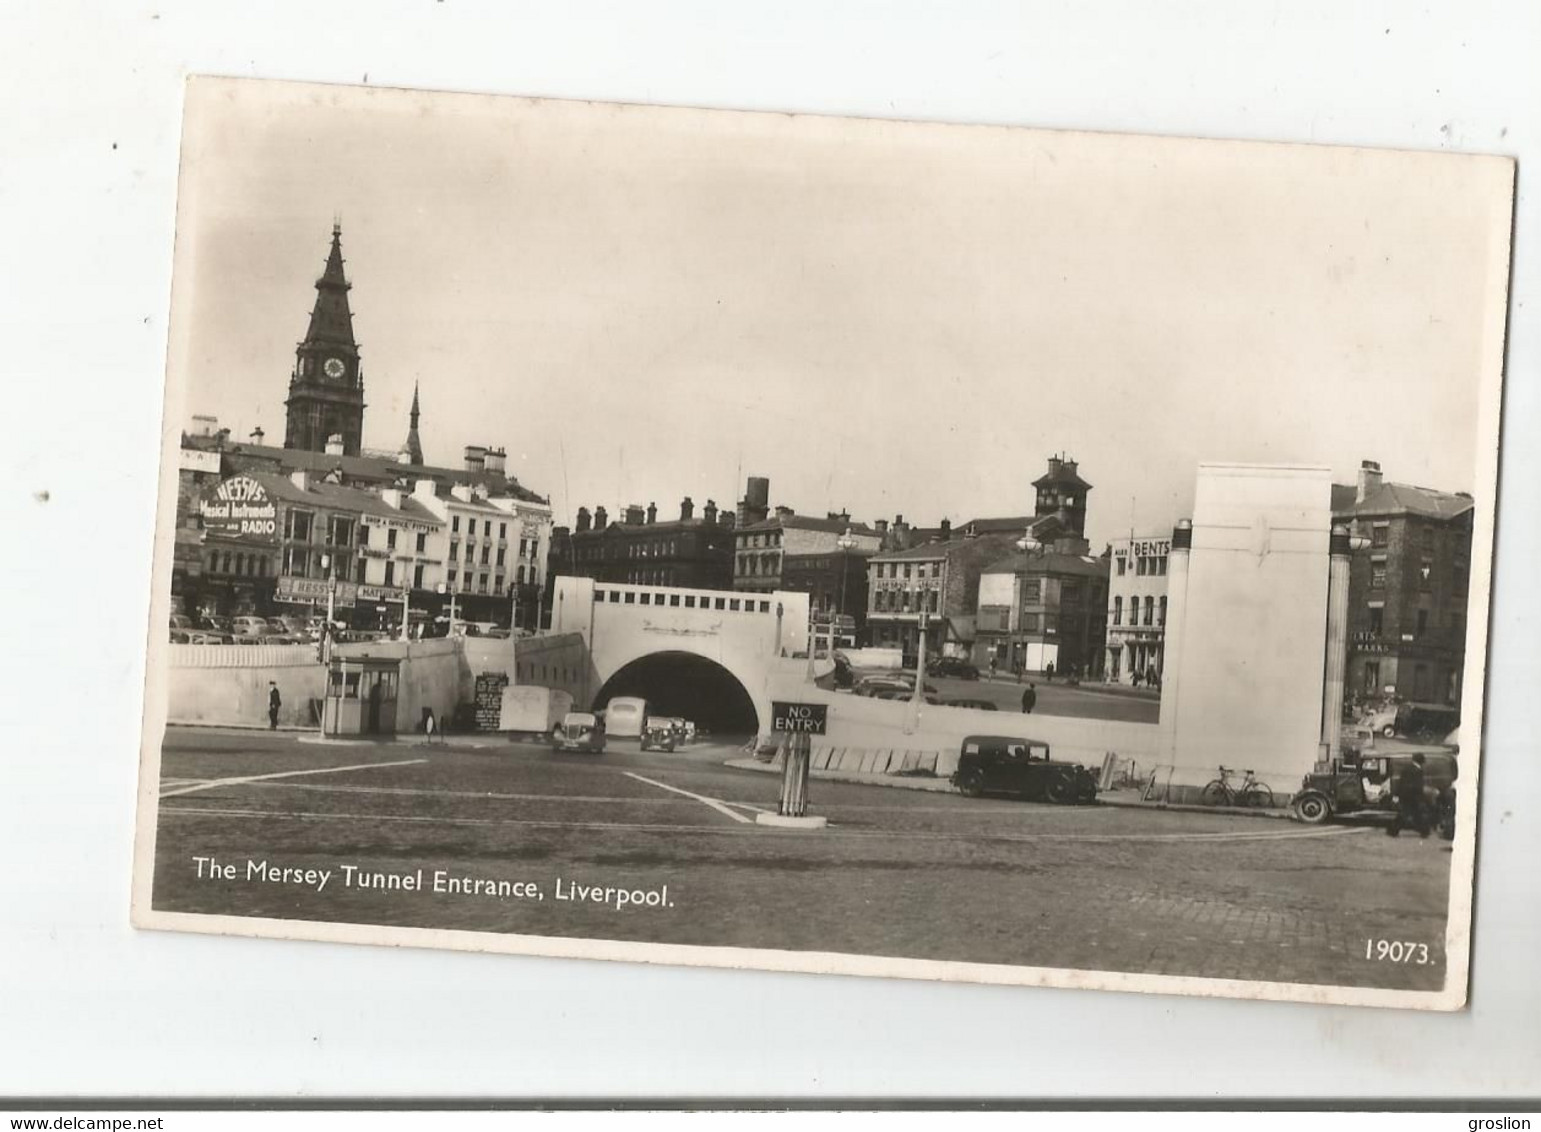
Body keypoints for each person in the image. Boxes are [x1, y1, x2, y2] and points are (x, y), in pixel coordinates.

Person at [1388, 753, 1430, 838]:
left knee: (1406, 814)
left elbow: (1401, 783)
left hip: (1405, 795)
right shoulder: (1418, 770)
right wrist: (1421, 796)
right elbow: (1418, 786)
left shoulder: (1407, 769)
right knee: (1416, 813)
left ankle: (1393, 830)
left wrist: (1396, 794)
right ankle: (1424, 831)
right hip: (1413, 796)